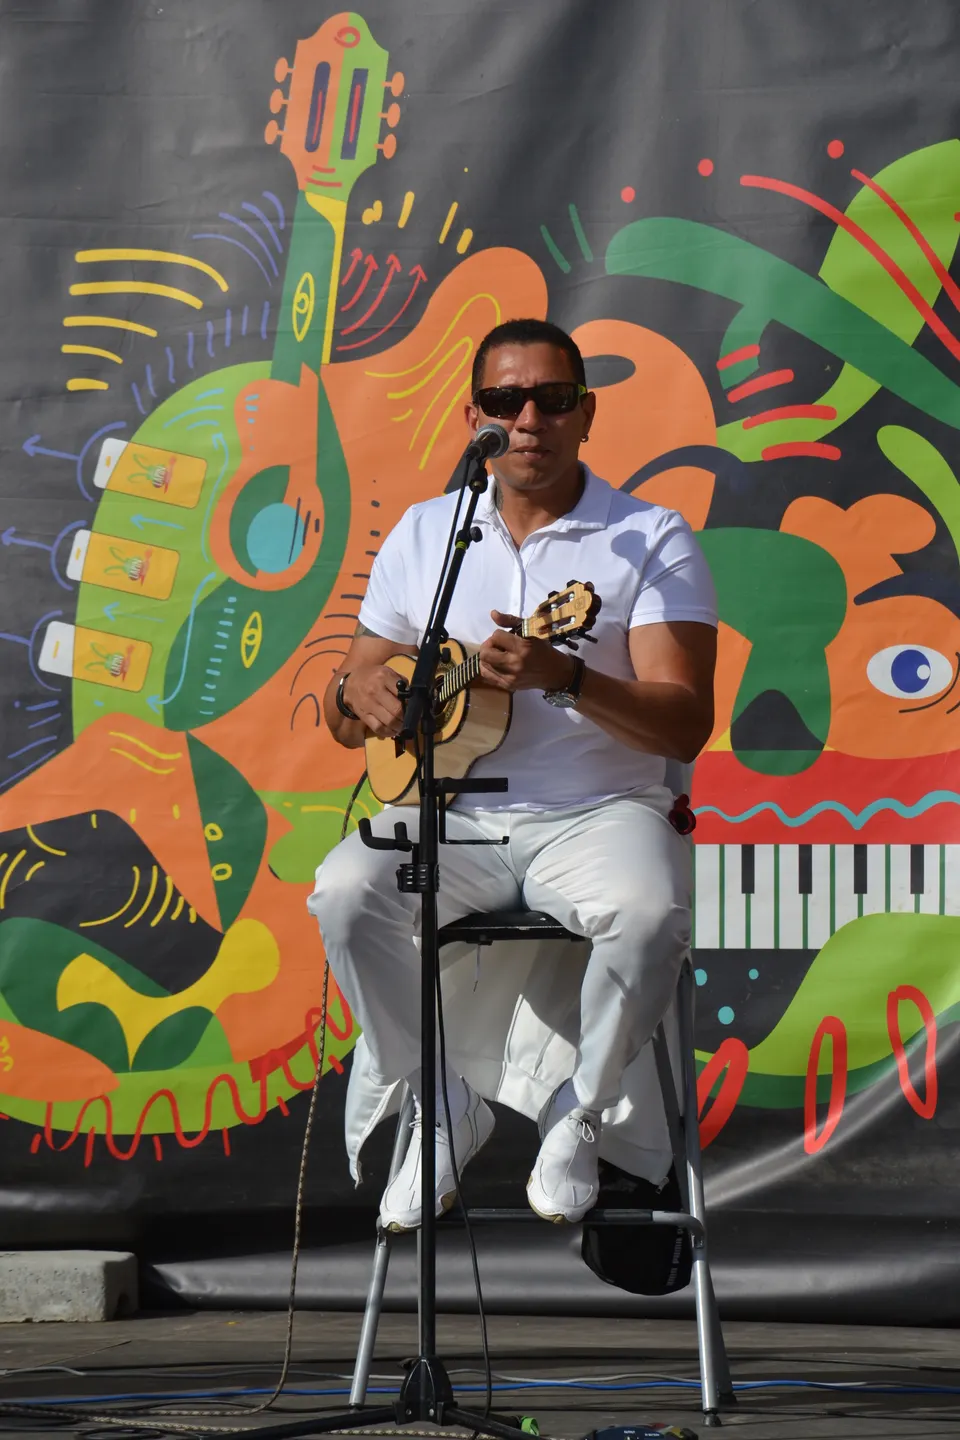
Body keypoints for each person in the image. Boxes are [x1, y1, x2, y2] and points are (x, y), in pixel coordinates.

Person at [308, 318, 717, 1233]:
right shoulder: (428, 533)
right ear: (475, 419)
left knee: (650, 914)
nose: (529, 419)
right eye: (505, 400)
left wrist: (567, 677)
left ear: (587, 413)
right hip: (453, 816)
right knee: (344, 893)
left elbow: (687, 719)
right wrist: (352, 687)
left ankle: (582, 1111)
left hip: (601, 811)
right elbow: (348, 711)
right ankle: (440, 1096)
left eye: (552, 399)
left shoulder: (648, 536)